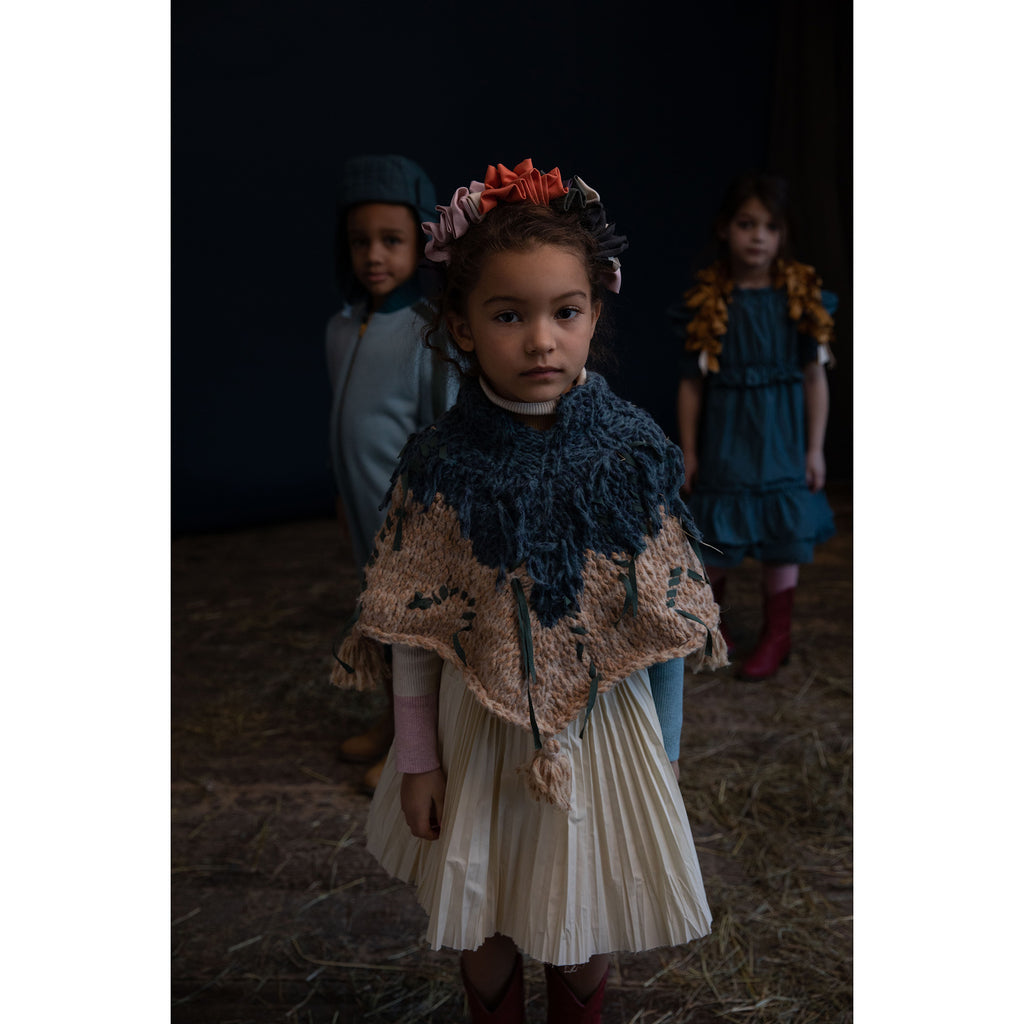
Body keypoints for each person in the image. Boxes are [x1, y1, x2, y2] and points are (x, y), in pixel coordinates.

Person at [332, 159, 727, 1023]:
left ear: (595, 313)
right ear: (463, 326)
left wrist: (665, 752)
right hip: (477, 732)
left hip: (601, 730)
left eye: (565, 313)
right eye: (509, 315)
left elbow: (660, 619)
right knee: (486, 911)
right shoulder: (442, 465)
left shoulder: (628, 453)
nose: (542, 340)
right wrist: (418, 759)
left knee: (582, 911)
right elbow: (415, 625)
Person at [671, 172, 837, 681]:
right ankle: (714, 626)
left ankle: (777, 634)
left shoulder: (800, 299)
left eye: (770, 226)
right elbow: (692, 385)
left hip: (782, 441)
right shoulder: (710, 301)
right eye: (746, 224)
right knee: (717, 533)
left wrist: (814, 449)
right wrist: (690, 451)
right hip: (728, 441)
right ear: (725, 229)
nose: (758, 237)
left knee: (782, 536)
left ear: (783, 234)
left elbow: (815, 378)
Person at [326, 154, 456, 791]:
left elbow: (446, 432)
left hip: (412, 521)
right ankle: (392, 721)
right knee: (377, 621)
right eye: (361, 241)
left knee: (414, 632)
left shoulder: (429, 334)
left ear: (421, 244)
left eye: (391, 240)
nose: (374, 255)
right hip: (363, 514)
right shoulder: (340, 328)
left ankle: (418, 748)